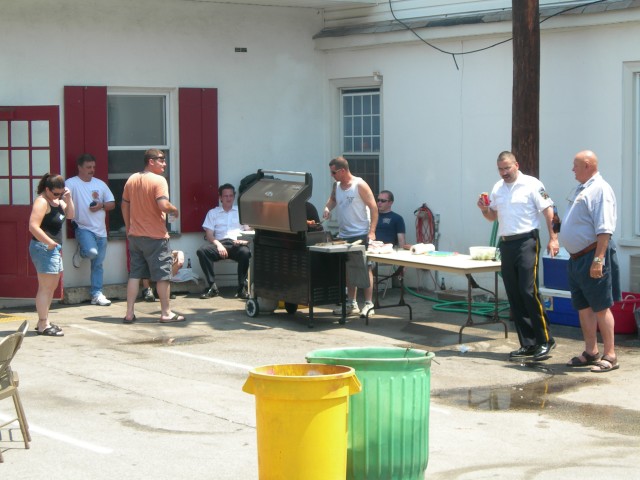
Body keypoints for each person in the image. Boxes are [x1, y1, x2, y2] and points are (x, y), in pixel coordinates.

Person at [478, 151, 558, 361]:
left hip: (527, 241)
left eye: (507, 168)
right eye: (500, 169)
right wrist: (484, 209)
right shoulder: (498, 188)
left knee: (528, 290)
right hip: (506, 243)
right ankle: (528, 343)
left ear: (516, 165)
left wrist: (553, 238)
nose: (504, 172)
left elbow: (550, 211)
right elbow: (492, 217)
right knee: (514, 293)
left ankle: (545, 340)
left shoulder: (532, 184)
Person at [560, 150, 620, 372]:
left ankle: (610, 355)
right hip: (576, 258)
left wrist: (598, 260)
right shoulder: (582, 188)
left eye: (575, 165)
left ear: (587, 165)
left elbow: (605, 229)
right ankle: (591, 351)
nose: (572, 169)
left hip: (592, 255)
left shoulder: (600, 189)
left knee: (601, 307)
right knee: (583, 307)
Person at [121, 149, 184, 324]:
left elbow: (124, 205)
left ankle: (129, 313)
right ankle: (166, 313)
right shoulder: (159, 180)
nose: (164, 163)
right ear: (150, 161)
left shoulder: (132, 179)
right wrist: (174, 209)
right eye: (161, 160)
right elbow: (163, 205)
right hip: (155, 237)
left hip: (135, 236)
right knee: (163, 275)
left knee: (135, 274)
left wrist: (128, 227)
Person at [323, 156, 378, 318]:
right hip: (344, 234)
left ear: (342, 170)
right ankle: (351, 303)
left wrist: (372, 232)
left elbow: (374, 208)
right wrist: (327, 208)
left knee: (364, 267)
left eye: (334, 172)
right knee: (348, 268)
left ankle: (368, 304)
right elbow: (332, 200)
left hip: (360, 233)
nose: (332, 175)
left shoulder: (359, 185)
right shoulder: (337, 186)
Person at [66, 153, 116, 306]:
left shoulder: (100, 184)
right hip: (82, 226)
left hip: (101, 230)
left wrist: (101, 205)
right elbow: (62, 201)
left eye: (93, 167)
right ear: (79, 167)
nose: (92, 170)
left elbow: (112, 204)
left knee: (98, 264)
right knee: (91, 252)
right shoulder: (71, 183)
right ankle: (82, 252)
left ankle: (96, 293)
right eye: (88, 167)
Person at [28, 173, 75, 336]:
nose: (58, 196)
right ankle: (42, 324)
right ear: (47, 189)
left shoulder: (58, 200)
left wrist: (68, 199)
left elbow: (70, 215)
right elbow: (33, 226)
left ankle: (44, 319)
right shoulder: (42, 201)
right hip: (44, 247)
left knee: (52, 287)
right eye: (55, 193)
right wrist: (49, 242)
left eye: (61, 193)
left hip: (53, 248)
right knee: (45, 288)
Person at [197, 184, 251, 299]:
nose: (228, 198)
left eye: (231, 195)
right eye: (225, 196)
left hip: (236, 244)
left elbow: (249, 231)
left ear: (234, 196)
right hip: (219, 243)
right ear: (220, 197)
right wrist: (218, 245)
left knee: (245, 252)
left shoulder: (241, 212)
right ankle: (212, 287)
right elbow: (209, 234)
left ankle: (242, 288)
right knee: (202, 251)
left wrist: (243, 241)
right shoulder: (213, 213)